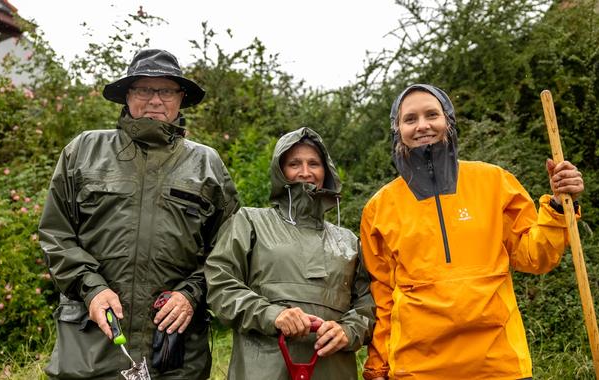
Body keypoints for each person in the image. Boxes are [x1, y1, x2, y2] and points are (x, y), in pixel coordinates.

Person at [360, 84, 585, 379]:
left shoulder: (494, 182)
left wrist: (558, 204)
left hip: (499, 364)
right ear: (397, 129)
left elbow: (535, 257)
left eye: (432, 114)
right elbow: (382, 296)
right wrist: (378, 366)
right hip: (418, 369)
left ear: (448, 121)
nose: (422, 125)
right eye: (410, 118)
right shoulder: (380, 207)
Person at [39, 49, 239, 379]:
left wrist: (191, 294)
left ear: (181, 98)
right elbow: (55, 234)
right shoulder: (84, 151)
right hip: (91, 344)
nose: (154, 100)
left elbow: (229, 249)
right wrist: (91, 288)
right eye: (144, 89)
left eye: (166, 91)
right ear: (128, 95)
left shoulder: (207, 165)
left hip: (175, 350)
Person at [205, 127, 375, 379]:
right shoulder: (250, 222)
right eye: (294, 163)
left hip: (333, 370)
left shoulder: (349, 240)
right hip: (261, 370)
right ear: (280, 171)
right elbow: (220, 285)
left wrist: (349, 331)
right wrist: (273, 315)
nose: (305, 172)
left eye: (314, 164)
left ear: (326, 172)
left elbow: (369, 303)